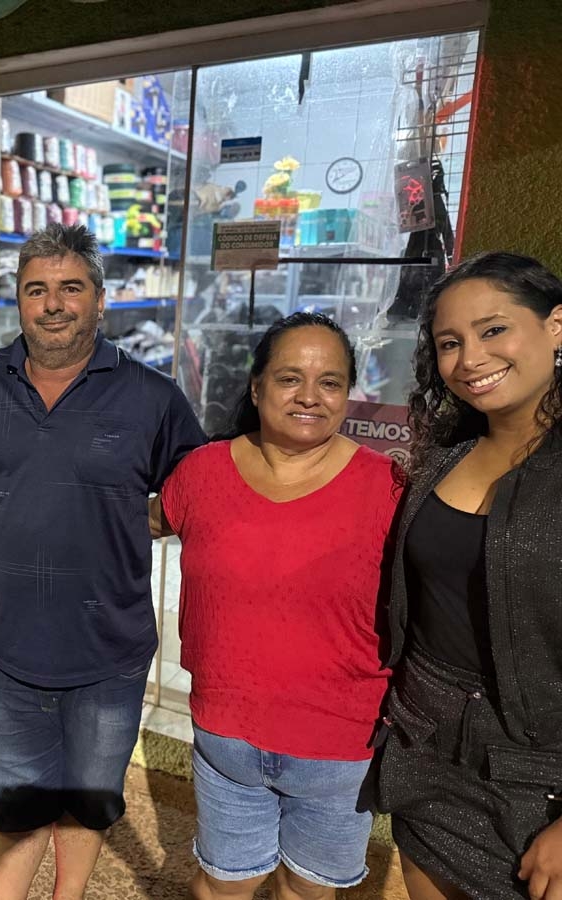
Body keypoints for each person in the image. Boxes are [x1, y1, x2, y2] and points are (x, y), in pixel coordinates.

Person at [0, 223, 205, 900]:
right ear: (19, 300)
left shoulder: (151, 397)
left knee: (87, 803)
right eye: (36, 289)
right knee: (13, 808)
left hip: (108, 653)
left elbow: (199, 492)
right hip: (5, 650)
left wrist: (137, 521)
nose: (53, 304)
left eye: (71, 288)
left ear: (100, 299)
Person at [154, 312, 401, 900]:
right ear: (256, 386)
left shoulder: (389, 488)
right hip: (226, 738)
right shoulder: (202, 472)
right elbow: (135, 524)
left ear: (348, 392)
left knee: (306, 891)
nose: (310, 396)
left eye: (330, 382)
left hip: (339, 749)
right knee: (224, 885)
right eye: (290, 378)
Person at [376, 252, 562, 900]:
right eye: (450, 343)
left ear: (556, 325)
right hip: (424, 745)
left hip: (539, 779)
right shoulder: (442, 459)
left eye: (493, 330)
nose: (471, 358)